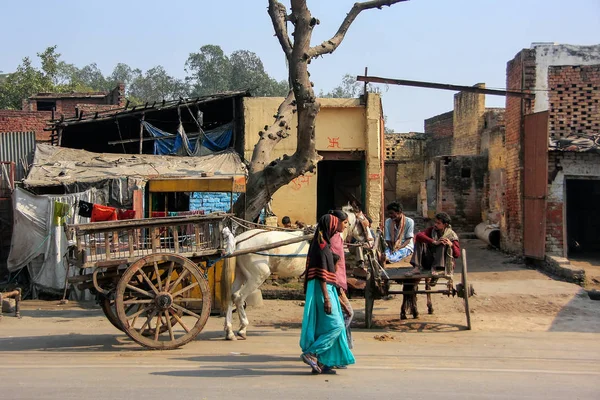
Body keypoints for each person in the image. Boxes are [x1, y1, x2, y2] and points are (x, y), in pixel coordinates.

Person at [300, 214, 355, 375]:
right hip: (323, 290)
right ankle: (312, 353)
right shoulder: (321, 246)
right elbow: (321, 276)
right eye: (342, 223)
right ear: (332, 225)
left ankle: (324, 363)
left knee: (324, 327)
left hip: (329, 289)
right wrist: (327, 299)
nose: (344, 226)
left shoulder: (325, 243)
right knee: (337, 325)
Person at [328, 210, 354, 354]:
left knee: (343, 315)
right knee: (348, 314)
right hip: (333, 283)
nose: (346, 226)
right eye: (344, 222)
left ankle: (345, 348)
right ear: (335, 222)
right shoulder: (330, 238)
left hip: (339, 283)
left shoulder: (338, 236)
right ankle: (334, 346)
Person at [407, 212, 460, 276]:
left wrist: (451, 244)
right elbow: (418, 235)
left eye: (438, 223)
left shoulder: (452, 235)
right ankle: (417, 267)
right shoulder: (432, 230)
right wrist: (434, 242)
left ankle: (439, 268)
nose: (435, 224)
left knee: (443, 242)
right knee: (419, 241)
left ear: (445, 225)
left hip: (444, 264)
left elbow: (457, 254)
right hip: (429, 261)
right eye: (435, 222)